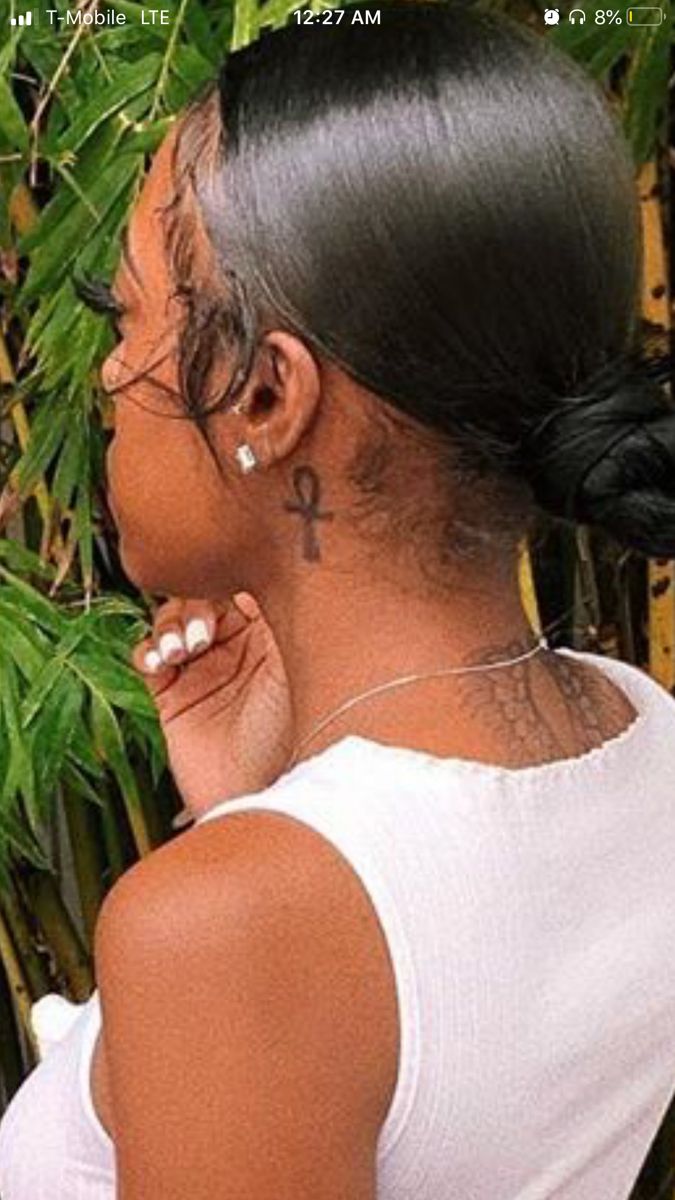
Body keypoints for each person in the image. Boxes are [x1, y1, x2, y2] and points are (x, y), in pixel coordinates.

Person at [2, 3, 675, 1197]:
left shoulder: (230, 930)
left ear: (267, 397)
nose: (106, 368)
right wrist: (266, 810)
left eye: (131, 316)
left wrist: (259, 869)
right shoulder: (641, 732)